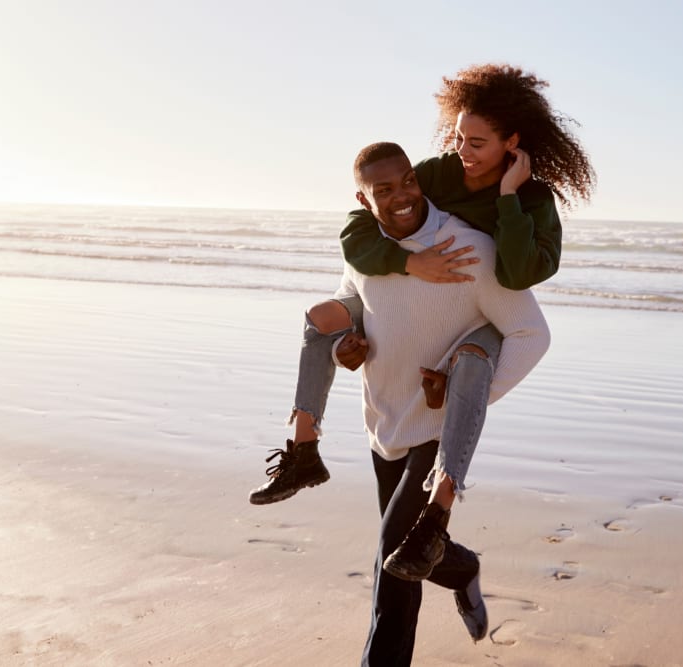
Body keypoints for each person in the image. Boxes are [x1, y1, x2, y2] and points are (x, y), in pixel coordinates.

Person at [248, 64, 594, 569]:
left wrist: (507, 198)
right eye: (459, 137)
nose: (463, 152)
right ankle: (303, 450)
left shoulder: (534, 201)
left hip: (485, 316)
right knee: (318, 318)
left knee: (474, 359)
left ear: (512, 143)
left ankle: (442, 514)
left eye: (478, 143)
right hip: (417, 321)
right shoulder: (437, 174)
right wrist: (410, 264)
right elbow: (363, 223)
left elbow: (520, 274)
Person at [337, 142, 549, 664]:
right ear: (363, 201)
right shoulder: (366, 249)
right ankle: (461, 567)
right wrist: (346, 342)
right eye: (384, 190)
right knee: (412, 559)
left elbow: (530, 333)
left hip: (432, 433)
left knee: (392, 564)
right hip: (382, 421)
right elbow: (352, 303)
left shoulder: (468, 249)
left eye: (408, 181)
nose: (402, 196)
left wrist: (466, 404)